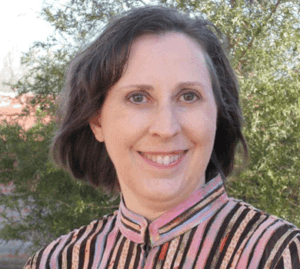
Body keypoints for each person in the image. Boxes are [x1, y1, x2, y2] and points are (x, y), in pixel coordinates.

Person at [24, 5, 300, 269]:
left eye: (189, 96)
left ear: (217, 114)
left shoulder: (282, 255)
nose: (166, 128)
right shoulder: (56, 262)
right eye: (138, 98)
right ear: (97, 121)